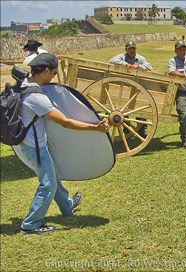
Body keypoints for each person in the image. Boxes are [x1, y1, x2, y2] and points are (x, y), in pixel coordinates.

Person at [18, 53, 110, 235]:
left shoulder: (24, 84)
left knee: (54, 175)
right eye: (52, 73)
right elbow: (65, 122)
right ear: (45, 70)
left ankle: (66, 206)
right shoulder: (37, 97)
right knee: (48, 184)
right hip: (35, 147)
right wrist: (95, 127)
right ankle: (30, 224)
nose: (53, 77)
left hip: (29, 143)